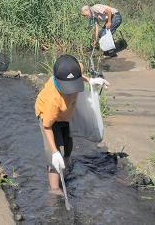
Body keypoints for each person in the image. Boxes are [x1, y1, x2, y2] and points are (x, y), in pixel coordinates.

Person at [35, 54, 109, 193]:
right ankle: (55, 189)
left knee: (68, 145)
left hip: (66, 114)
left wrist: (90, 80)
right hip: (50, 120)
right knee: (53, 158)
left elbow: (77, 75)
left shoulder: (75, 69)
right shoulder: (53, 100)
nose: (72, 90)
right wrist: (55, 152)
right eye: (68, 88)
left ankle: (66, 168)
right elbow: (47, 126)